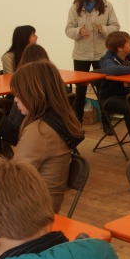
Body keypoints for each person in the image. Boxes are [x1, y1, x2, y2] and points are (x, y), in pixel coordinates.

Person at [10, 61, 84, 212]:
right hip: (40, 210)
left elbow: (12, 182)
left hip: (28, 216)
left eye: (19, 93)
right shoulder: (56, 122)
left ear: (35, 93)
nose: (15, 99)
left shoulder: (39, 132)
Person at [65, 0, 120, 122]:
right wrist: (78, 32)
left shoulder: (107, 6)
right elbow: (68, 30)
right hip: (81, 55)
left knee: (103, 89)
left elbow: (116, 27)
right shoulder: (75, 7)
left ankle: (106, 122)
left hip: (101, 54)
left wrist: (103, 29)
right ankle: (78, 121)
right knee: (80, 89)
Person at [97, 31, 130, 150]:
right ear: (120, 47)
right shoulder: (107, 59)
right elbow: (112, 69)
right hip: (110, 98)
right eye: (129, 42)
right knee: (129, 108)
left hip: (127, 94)